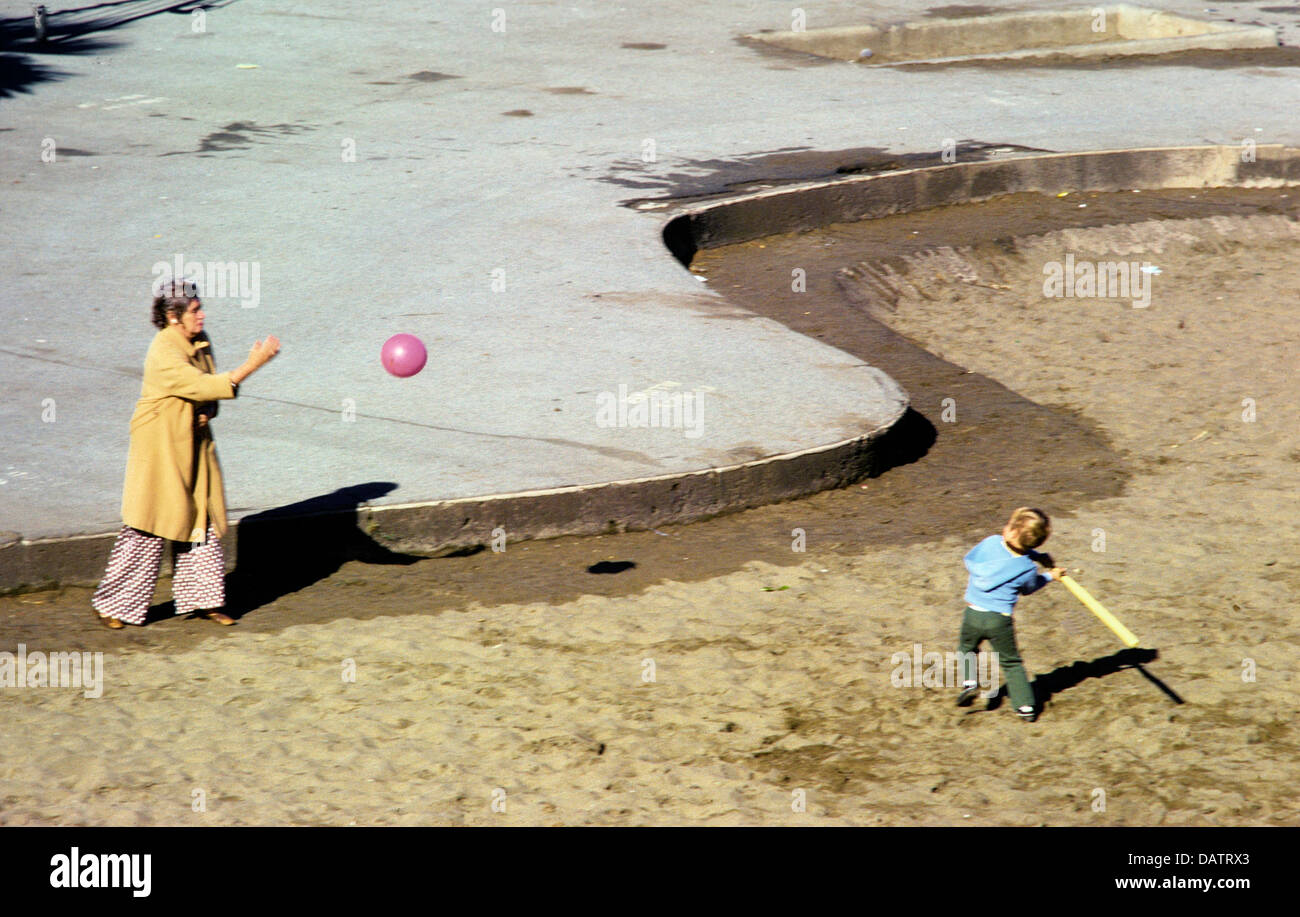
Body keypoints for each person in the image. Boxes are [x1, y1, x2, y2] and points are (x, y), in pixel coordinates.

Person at [91, 279, 280, 629]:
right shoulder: (164, 350)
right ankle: (112, 605)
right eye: (194, 310)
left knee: (201, 519)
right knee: (148, 524)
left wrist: (209, 410)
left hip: (194, 442)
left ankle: (203, 600)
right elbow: (200, 384)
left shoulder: (201, 342)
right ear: (172, 316)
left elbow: (208, 394)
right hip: (160, 447)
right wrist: (253, 364)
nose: (202, 314)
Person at [955, 507, 1066, 722]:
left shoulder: (990, 542)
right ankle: (1025, 707)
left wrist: (1033, 556)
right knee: (1011, 662)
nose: (1005, 527)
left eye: (1010, 526)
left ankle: (969, 683)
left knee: (966, 648)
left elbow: (972, 560)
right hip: (999, 620)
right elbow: (1029, 588)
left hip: (973, 613)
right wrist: (1050, 576)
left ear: (1010, 533)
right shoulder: (1027, 568)